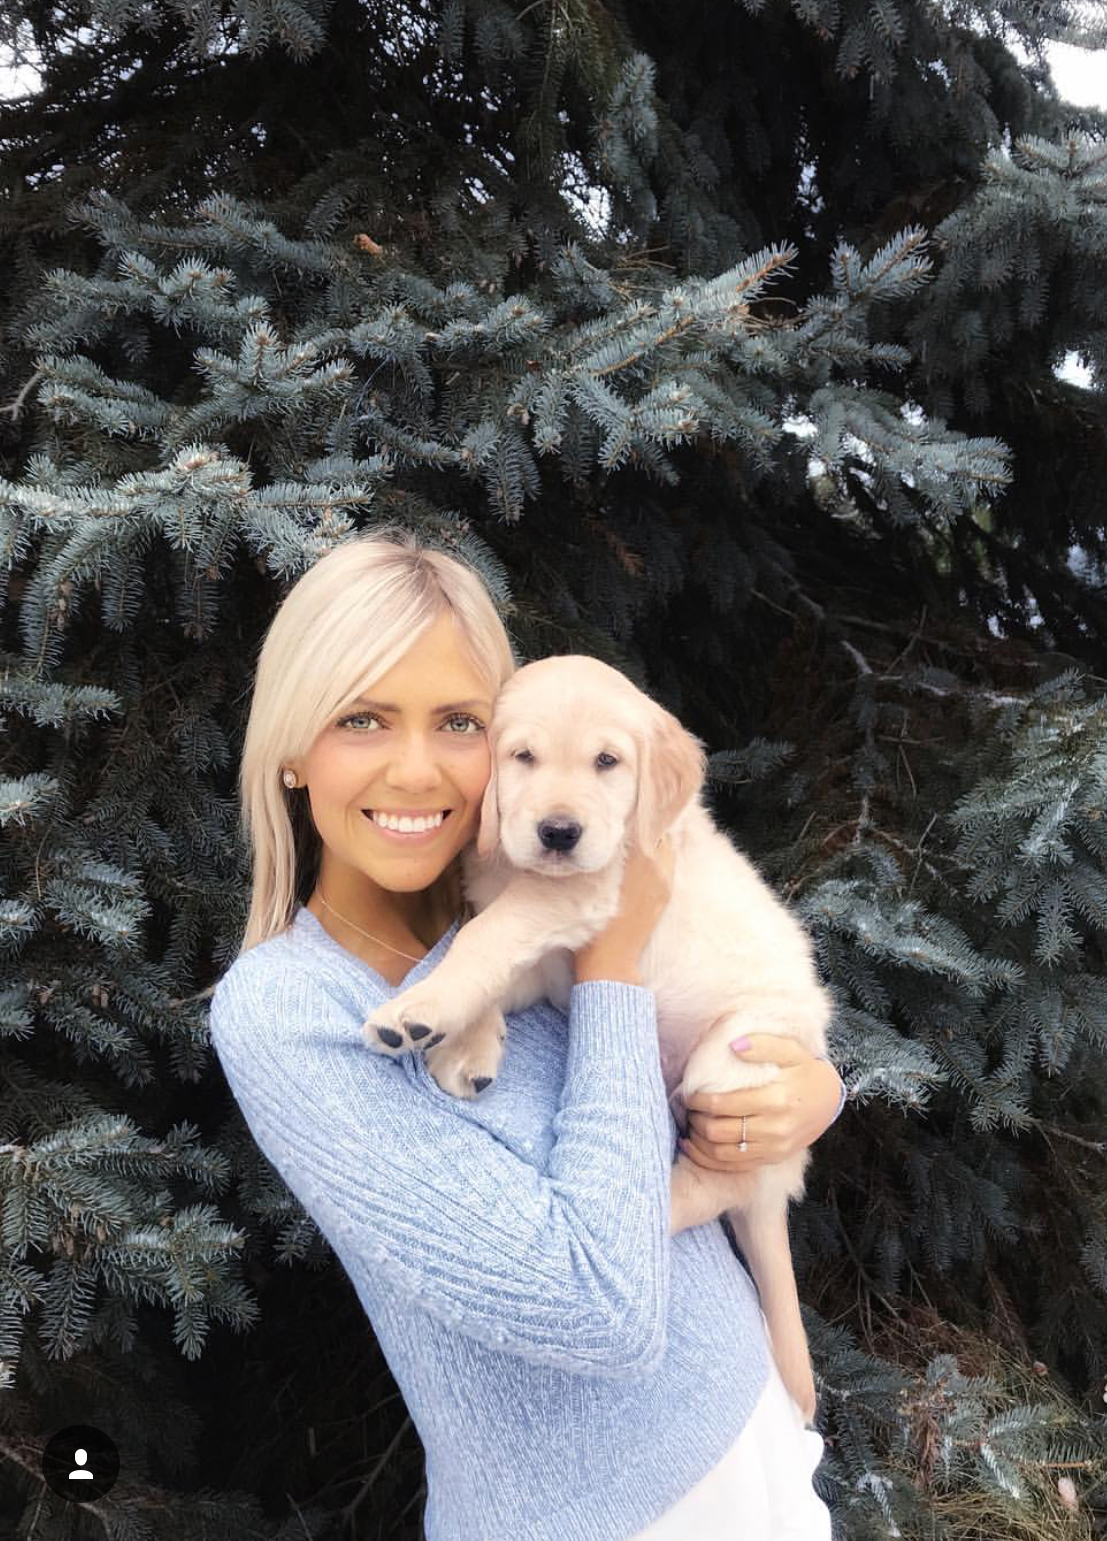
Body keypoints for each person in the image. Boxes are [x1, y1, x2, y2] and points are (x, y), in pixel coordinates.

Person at [208, 525, 847, 1541]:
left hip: (753, 1432)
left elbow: (682, 1047)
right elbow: (599, 1304)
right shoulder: (288, 1009)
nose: (417, 769)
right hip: (601, 1515)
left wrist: (805, 1091)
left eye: (460, 722)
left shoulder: (512, 913)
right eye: (362, 718)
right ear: (291, 747)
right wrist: (611, 961)